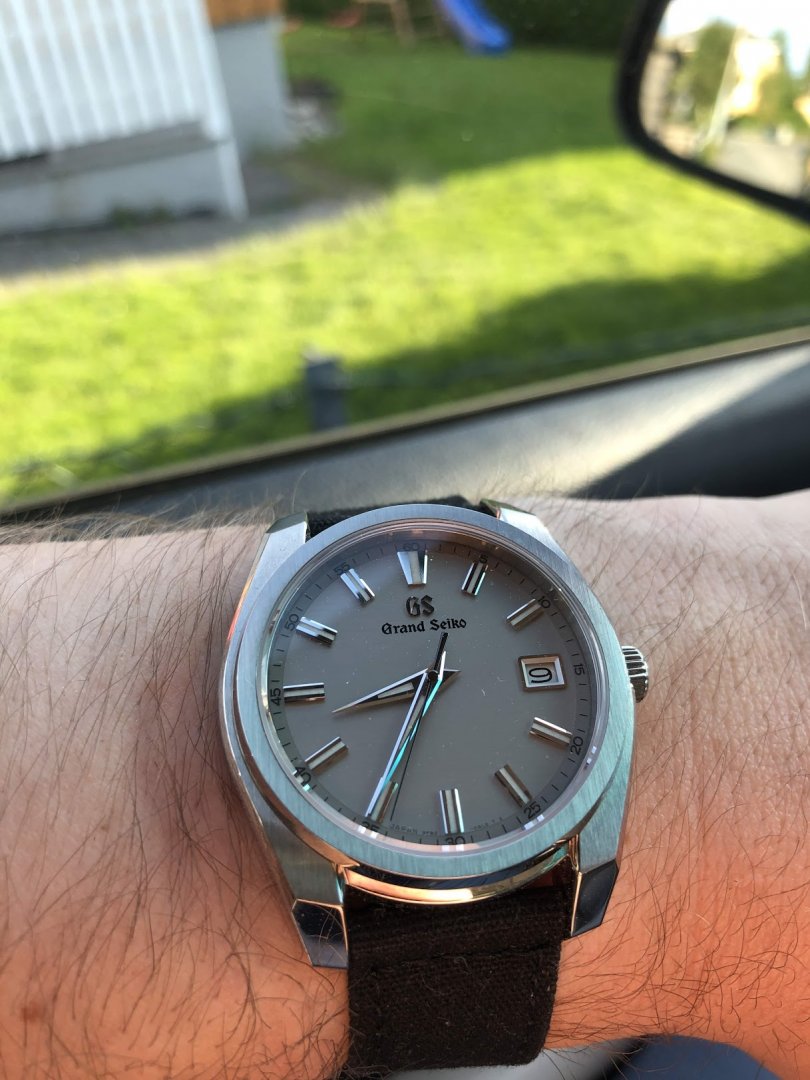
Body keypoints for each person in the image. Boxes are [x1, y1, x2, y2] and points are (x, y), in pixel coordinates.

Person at [1, 492, 808, 1079]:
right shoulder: (319, 890)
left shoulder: (582, 866)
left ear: (621, 676)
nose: (428, 682)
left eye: (430, 678)